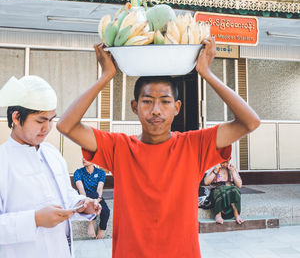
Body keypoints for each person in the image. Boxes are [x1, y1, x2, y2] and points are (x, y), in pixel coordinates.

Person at [57, 38, 260, 258]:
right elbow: (66, 125)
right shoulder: (119, 147)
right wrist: (106, 76)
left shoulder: (194, 145)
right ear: (134, 107)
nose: (156, 110)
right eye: (147, 101)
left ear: (177, 107)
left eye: (165, 101)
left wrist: (207, 74)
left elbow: (250, 122)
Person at [0, 75, 101, 258]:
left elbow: (64, 195)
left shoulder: (52, 154)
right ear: (16, 117)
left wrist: (81, 204)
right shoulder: (2, 161)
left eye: (51, 119)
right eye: (40, 120)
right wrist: (35, 220)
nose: (48, 127)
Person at [74, 158, 110, 239]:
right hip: (84, 196)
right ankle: (91, 223)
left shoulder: (101, 172)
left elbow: (100, 187)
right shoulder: (78, 172)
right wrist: (87, 200)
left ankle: (101, 228)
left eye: (86, 157)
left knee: (106, 211)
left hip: (96, 195)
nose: (83, 159)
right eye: (82, 157)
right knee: (90, 205)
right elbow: (81, 189)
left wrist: (98, 199)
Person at [204, 159, 243, 224]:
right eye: (223, 163)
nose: (225, 165)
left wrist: (233, 171)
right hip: (217, 190)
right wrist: (215, 171)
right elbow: (206, 182)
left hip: (229, 189)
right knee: (221, 190)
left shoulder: (232, 169)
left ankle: (236, 214)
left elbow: (239, 185)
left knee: (235, 190)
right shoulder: (214, 168)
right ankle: (218, 215)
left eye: (226, 162)